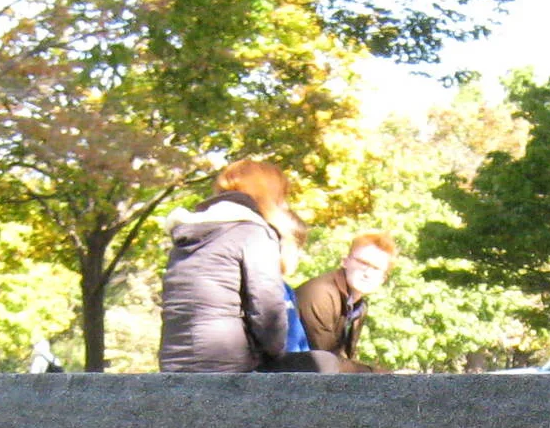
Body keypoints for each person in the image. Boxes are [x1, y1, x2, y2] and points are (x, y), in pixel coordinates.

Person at [158, 159, 296, 373]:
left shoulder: (188, 235)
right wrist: (276, 353)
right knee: (321, 365)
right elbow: (267, 307)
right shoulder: (251, 232)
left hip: (174, 360)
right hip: (225, 360)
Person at [289, 231, 397, 371]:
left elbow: (343, 360)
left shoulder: (358, 306)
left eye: (376, 268)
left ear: (383, 279)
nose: (367, 273)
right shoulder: (320, 294)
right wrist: (382, 374)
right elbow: (327, 362)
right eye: (363, 263)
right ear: (345, 262)